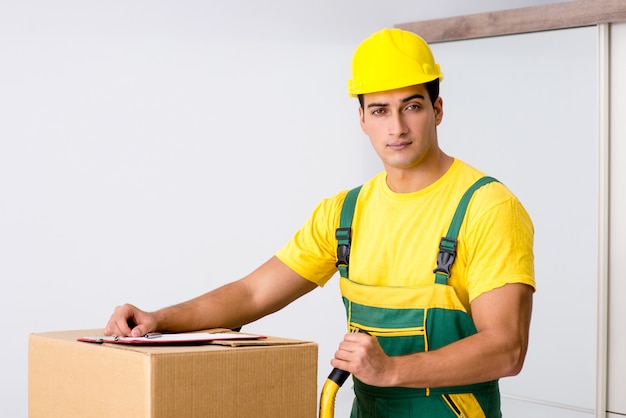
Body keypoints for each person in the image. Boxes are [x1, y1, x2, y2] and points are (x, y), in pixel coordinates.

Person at [105, 28, 535, 418]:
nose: (397, 127)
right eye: (381, 111)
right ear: (362, 119)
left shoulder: (486, 207)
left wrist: (391, 370)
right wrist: (157, 319)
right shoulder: (344, 214)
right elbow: (252, 293)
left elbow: (507, 348)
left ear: (437, 110)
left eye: (413, 106)